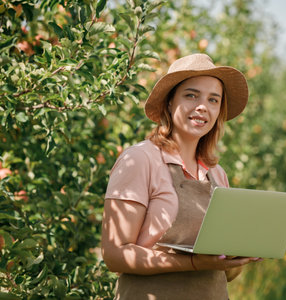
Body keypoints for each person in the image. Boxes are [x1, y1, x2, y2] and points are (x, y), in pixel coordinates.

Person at [101, 53, 262, 299]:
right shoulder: (140, 160)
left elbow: (223, 273)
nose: (202, 106)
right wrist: (193, 262)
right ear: (169, 102)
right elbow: (115, 254)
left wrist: (237, 255)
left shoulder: (217, 175)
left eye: (213, 100)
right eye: (191, 95)